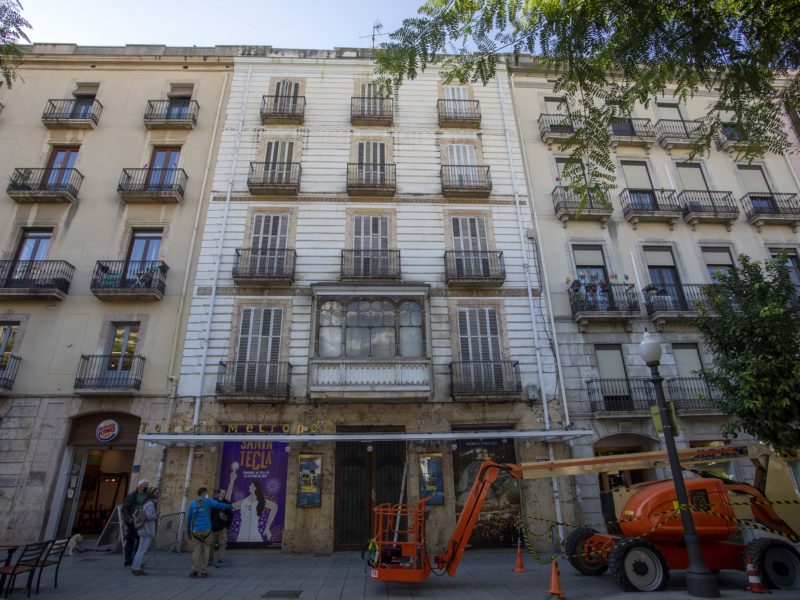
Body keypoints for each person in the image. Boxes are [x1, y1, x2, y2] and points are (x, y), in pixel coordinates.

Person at [186, 486, 230, 578]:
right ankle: (204, 571)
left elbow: (189, 518)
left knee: (196, 550)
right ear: (204, 493)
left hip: (196, 531)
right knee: (206, 549)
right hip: (207, 531)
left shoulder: (193, 503)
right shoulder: (208, 501)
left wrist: (188, 532)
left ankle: (194, 570)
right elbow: (219, 505)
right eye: (206, 493)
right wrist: (230, 506)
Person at [226, 470, 278, 542]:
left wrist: (267, 527)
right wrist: (231, 481)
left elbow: (274, 507)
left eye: (252, 485)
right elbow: (227, 504)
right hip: (242, 535)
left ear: (256, 488)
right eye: (250, 485)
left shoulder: (261, 501)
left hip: (255, 535)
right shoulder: (243, 502)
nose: (250, 486)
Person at [120, 478, 150, 567]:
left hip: (141, 521)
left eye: (146, 487)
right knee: (130, 540)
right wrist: (129, 519)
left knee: (140, 540)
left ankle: (136, 560)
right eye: (144, 486)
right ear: (139, 486)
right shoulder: (132, 495)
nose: (145, 488)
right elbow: (124, 508)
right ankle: (128, 560)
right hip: (132, 521)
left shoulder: (147, 496)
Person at [130, 487, 159, 576]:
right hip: (146, 529)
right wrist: (156, 515)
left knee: (140, 549)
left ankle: (134, 567)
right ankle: (137, 568)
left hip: (143, 529)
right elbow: (149, 516)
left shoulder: (145, 503)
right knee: (142, 550)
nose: (157, 495)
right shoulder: (150, 504)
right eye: (156, 493)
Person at [209, 488, 232, 568]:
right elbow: (210, 514)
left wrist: (227, 525)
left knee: (222, 543)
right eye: (222, 493)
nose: (224, 494)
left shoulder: (227, 502)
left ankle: (220, 559)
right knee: (211, 543)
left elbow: (230, 515)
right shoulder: (213, 502)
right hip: (214, 526)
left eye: (224, 493)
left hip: (222, 527)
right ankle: (210, 559)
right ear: (219, 494)